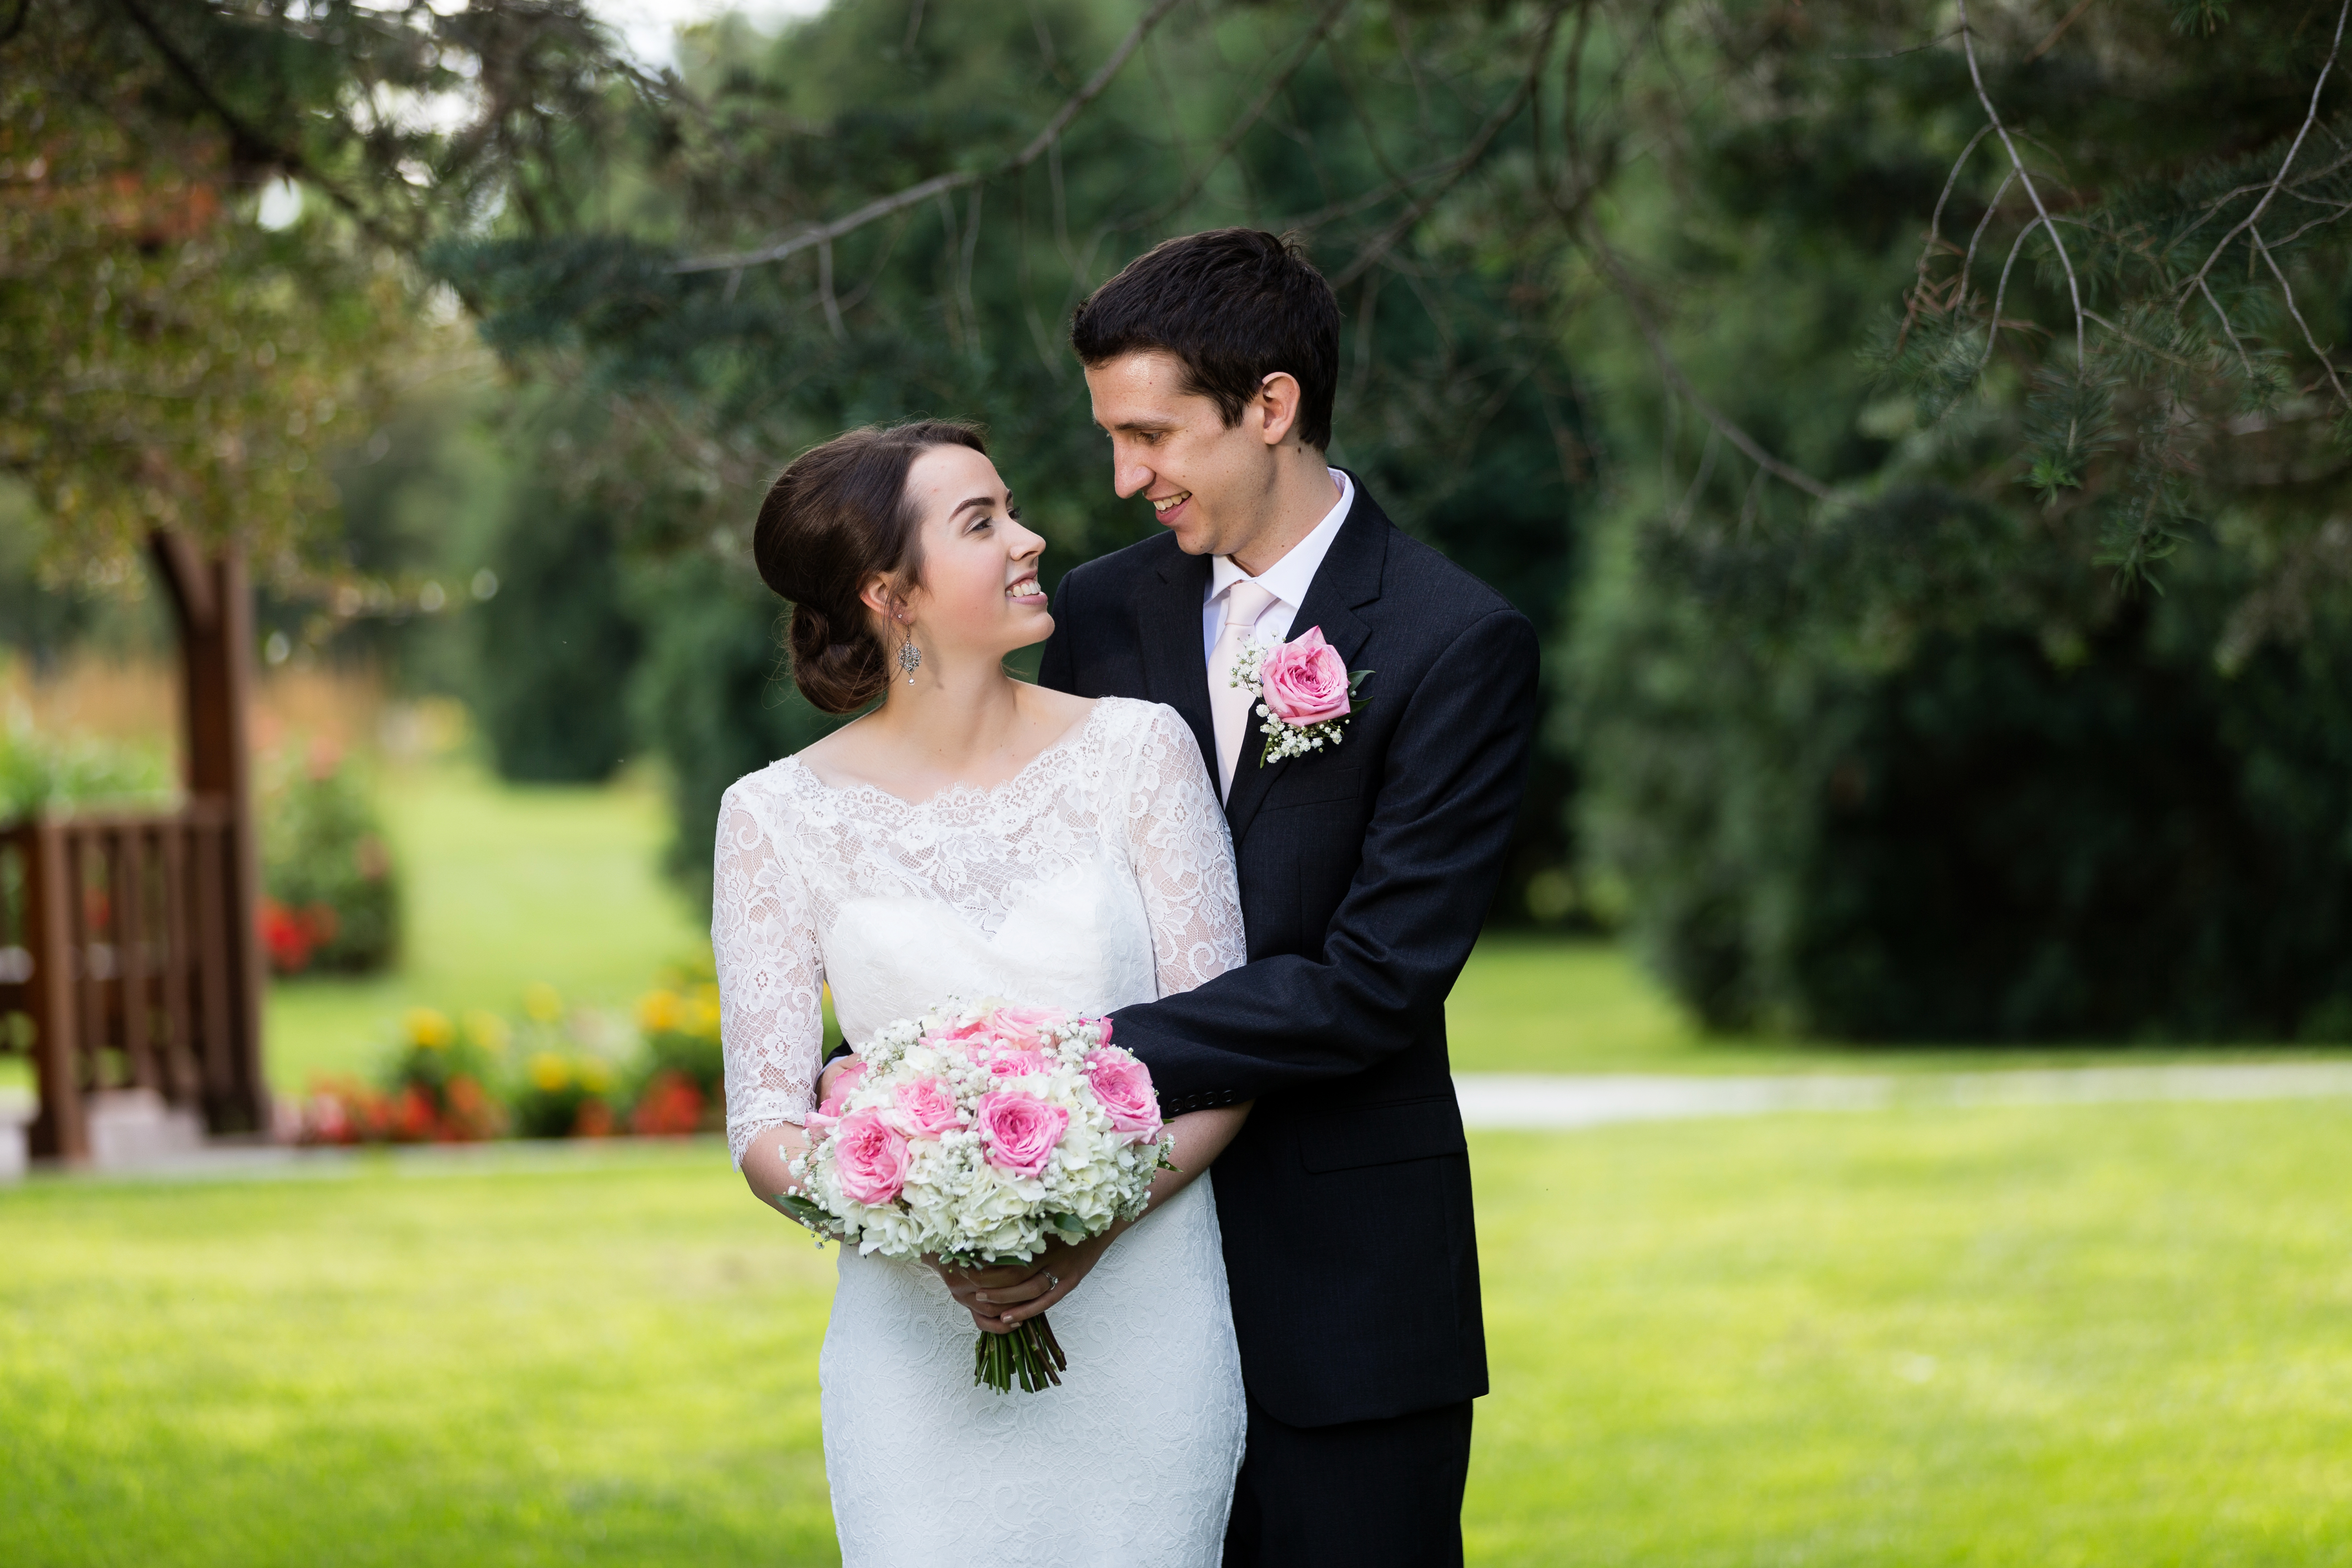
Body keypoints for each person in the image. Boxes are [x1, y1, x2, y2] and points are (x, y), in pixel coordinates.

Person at [1027, 228, 1543, 1566]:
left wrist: (1090, 1058)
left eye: (1151, 435)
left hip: (1347, 1291)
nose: (1124, 477)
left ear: (1272, 407)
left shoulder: (1453, 640)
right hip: (1111, 1273)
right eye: (1111, 438)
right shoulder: (1093, 614)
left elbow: (1379, 977)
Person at [714, 421, 1252, 1565]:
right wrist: (919, 1216)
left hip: (1148, 1328)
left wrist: (1089, 1225)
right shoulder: (773, 818)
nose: (1030, 537)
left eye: (1009, 510)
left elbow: (1229, 1051)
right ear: (888, 593)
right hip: (912, 1350)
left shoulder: (1140, 755)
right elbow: (763, 1123)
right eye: (982, 523)